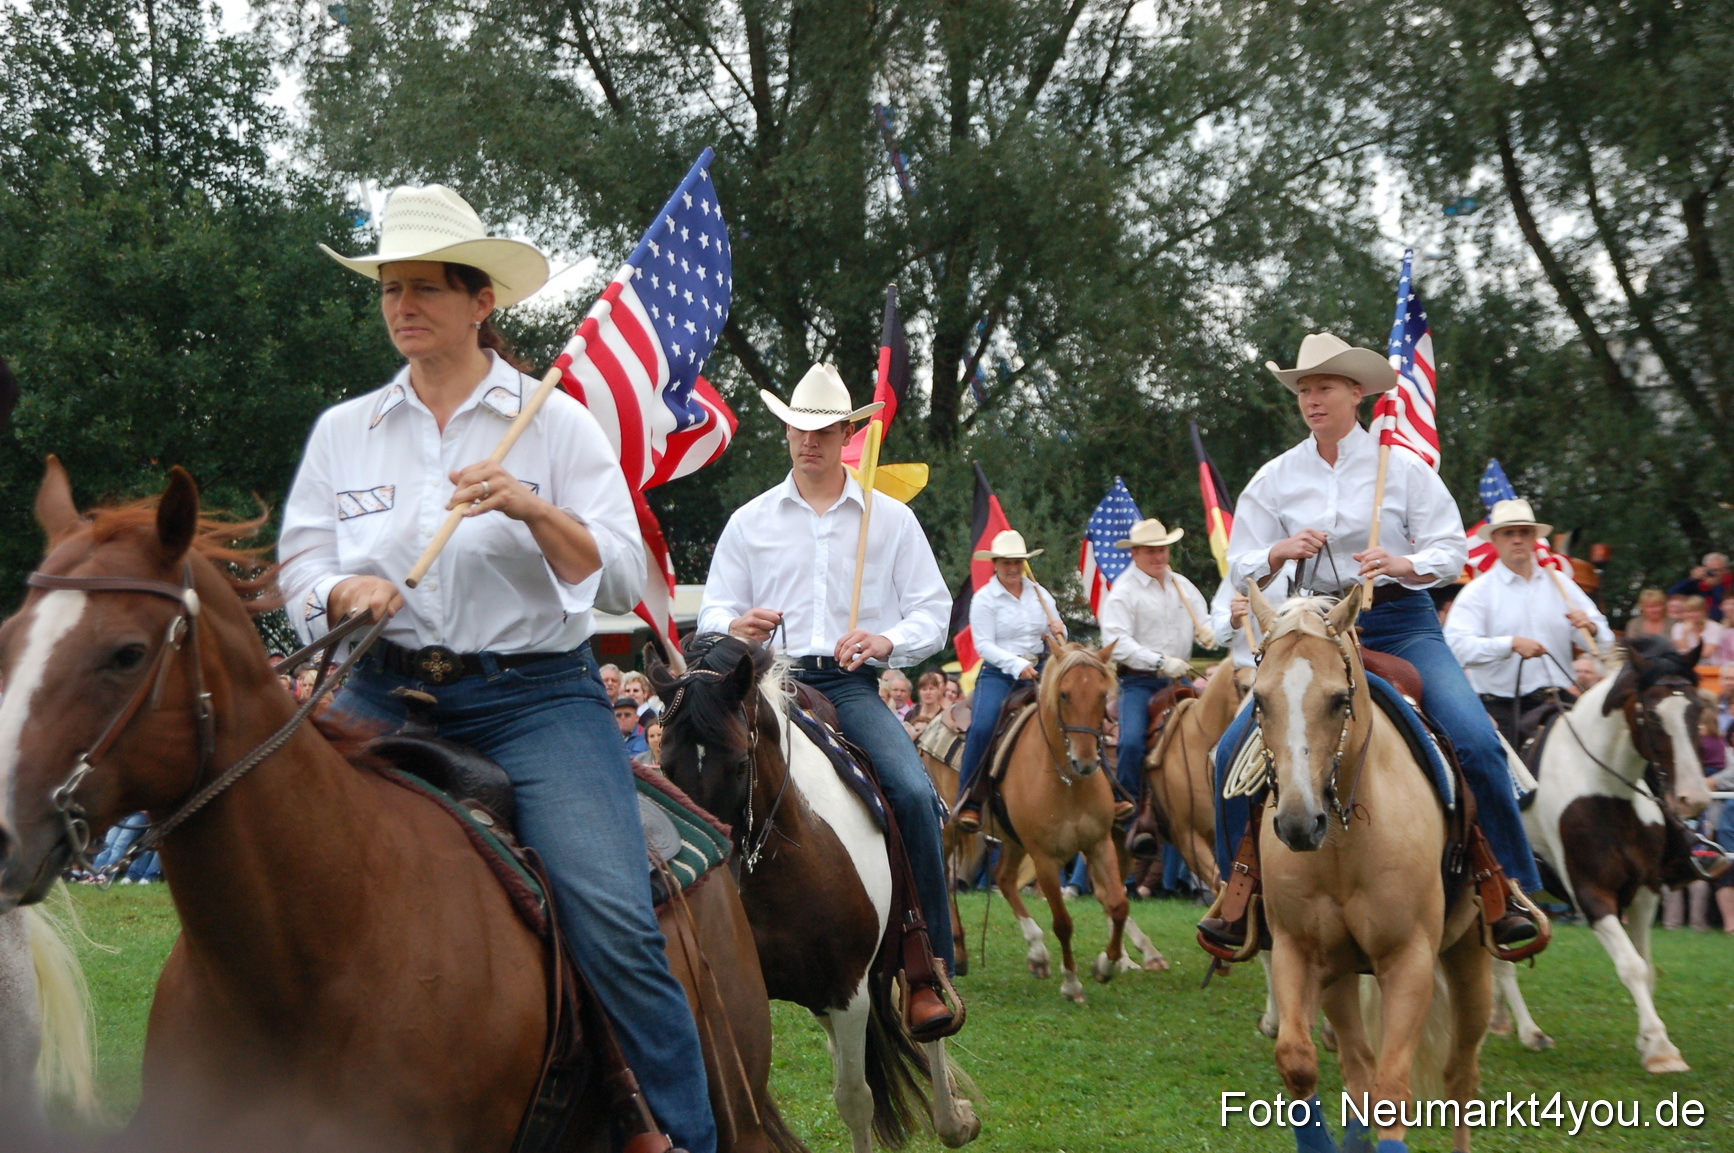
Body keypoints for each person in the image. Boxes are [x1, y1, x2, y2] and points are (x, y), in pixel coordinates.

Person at [276, 184, 715, 1152]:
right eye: (390, 287)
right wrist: (343, 595)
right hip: (382, 685)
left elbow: (617, 573)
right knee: (271, 856)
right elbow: (300, 567)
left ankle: (679, 1132)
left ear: (483, 302)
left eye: (426, 287)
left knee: (610, 911)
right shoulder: (345, 431)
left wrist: (528, 505)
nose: (402, 305)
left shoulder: (552, 424)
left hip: (532, 701)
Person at [1203, 331, 1544, 953]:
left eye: (1324, 387)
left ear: (1356, 393)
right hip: (1308, 627)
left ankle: (1507, 887)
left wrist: (1401, 562)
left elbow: (1451, 551)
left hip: (1401, 622)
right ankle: (1239, 893)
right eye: (1304, 390)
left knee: (1473, 738)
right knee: (1228, 757)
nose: (1312, 400)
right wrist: (1278, 551)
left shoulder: (1405, 469)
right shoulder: (1274, 478)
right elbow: (1240, 567)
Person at [697, 362, 957, 1035]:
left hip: (846, 683)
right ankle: (689, 946)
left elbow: (934, 610)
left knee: (910, 789)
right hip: (765, 679)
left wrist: (883, 640)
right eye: (797, 427)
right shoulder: (749, 521)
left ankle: (926, 964)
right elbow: (710, 615)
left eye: (821, 429)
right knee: (696, 784)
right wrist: (735, 626)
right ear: (785, 429)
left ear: (847, 433)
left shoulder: (890, 520)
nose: (806, 439)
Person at [1443, 498, 1614, 748]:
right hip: (1501, 709)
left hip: (1557, 704)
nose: (1517, 539)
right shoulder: (1478, 592)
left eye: (1524, 532)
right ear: (1495, 540)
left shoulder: (1561, 584)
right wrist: (1509, 645)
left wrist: (1592, 628)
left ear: (1534, 538)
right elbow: (1457, 648)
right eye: (1509, 533)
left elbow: (1605, 645)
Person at [1097, 518, 1211, 834]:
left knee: (1213, 731)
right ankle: (1127, 808)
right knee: (1132, 742)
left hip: (1180, 681)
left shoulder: (1182, 586)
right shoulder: (1123, 592)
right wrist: (1160, 662)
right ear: (1134, 553)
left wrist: (1213, 633)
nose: (1158, 557)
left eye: (1162, 550)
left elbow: (1204, 622)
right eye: (1151, 551)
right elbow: (1117, 645)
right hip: (1140, 682)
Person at [952, 529, 1066, 832]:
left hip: (1040, 670)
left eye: (1017, 562)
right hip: (999, 674)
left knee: (1072, 717)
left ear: (1024, 563)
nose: (1013, 568)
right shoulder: (985, 599)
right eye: (1006, 563)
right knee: (983, 727)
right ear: (996, 564)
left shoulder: (1041, 594)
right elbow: (984, 645)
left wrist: (1060, 630)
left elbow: (1058, 635)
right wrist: (1016, 665)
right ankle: (970, 799)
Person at [1668, 552, 1734, 621]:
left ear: (1726, 570)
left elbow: (1721, 604)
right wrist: (1691, 579)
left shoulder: (1730, 584)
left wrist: (1715, 586)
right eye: (1711, 570)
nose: (1715, 573)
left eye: (1718, 570)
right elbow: (1673, 594)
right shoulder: (1696, 584)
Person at [616, 697, 651, 761]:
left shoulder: (644, 736)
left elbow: (636, 761)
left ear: (637, 718)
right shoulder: (610, 735)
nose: (622, 718)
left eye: (627, 715)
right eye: (618, 715)